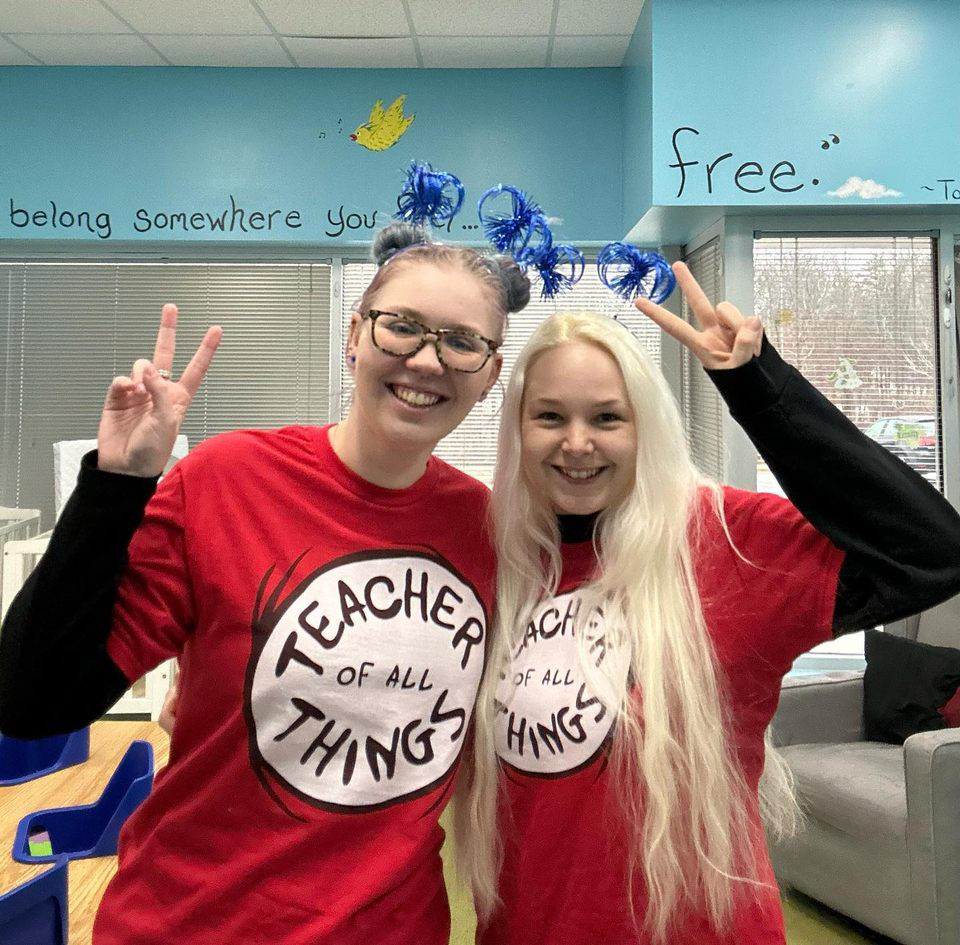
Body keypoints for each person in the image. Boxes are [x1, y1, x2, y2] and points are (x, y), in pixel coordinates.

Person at [0, 223, 530, 945]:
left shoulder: (496, 531)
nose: (426, 359)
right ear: (354, 335)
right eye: (401, 326)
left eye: (462, 341)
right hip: (191, 923)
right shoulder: (227, 479)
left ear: (491, 372)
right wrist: (115, 486)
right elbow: (35, 700)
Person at [455, 263, 960, 945]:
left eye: (607, 417)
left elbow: (932, 551)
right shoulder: (496, 561)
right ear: (518, 431)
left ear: (647, 426)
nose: (577, 443)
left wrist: (758, 387)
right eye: (550, 416)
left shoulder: (725, 541)